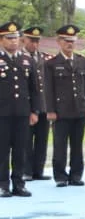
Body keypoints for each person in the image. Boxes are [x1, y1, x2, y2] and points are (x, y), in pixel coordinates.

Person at [43, 24, 85, 187]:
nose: (70, 44)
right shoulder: (51, 63)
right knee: (60, 146)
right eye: (66, 40)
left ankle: (76, 175)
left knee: (77, 146)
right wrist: (50, 110)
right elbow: (48, 89)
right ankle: (60, 176)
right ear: (59, 41)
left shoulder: (82, 61)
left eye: (72, 40)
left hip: (79, 110)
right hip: (60, 111)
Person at [0, 20, 42, 197]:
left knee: (20, 150)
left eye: (16, 38)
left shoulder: (26, 60)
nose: (13, 41)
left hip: (22, 113)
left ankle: (19, 184)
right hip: (2, 114)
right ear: (1, 40)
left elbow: (34, 89)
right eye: (9, 38)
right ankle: (3, 185)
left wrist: (35, 111)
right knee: (2, 150)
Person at [21, 27, 50, 181]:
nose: (35, 44)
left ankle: (38, 170)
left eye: (37, 41)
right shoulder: (20, 58)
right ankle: (26, 171)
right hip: (27, 106)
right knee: (26, 140)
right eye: (31, 40)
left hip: (44, 105)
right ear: (23, 40)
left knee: (42, 140)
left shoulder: (46, 58)